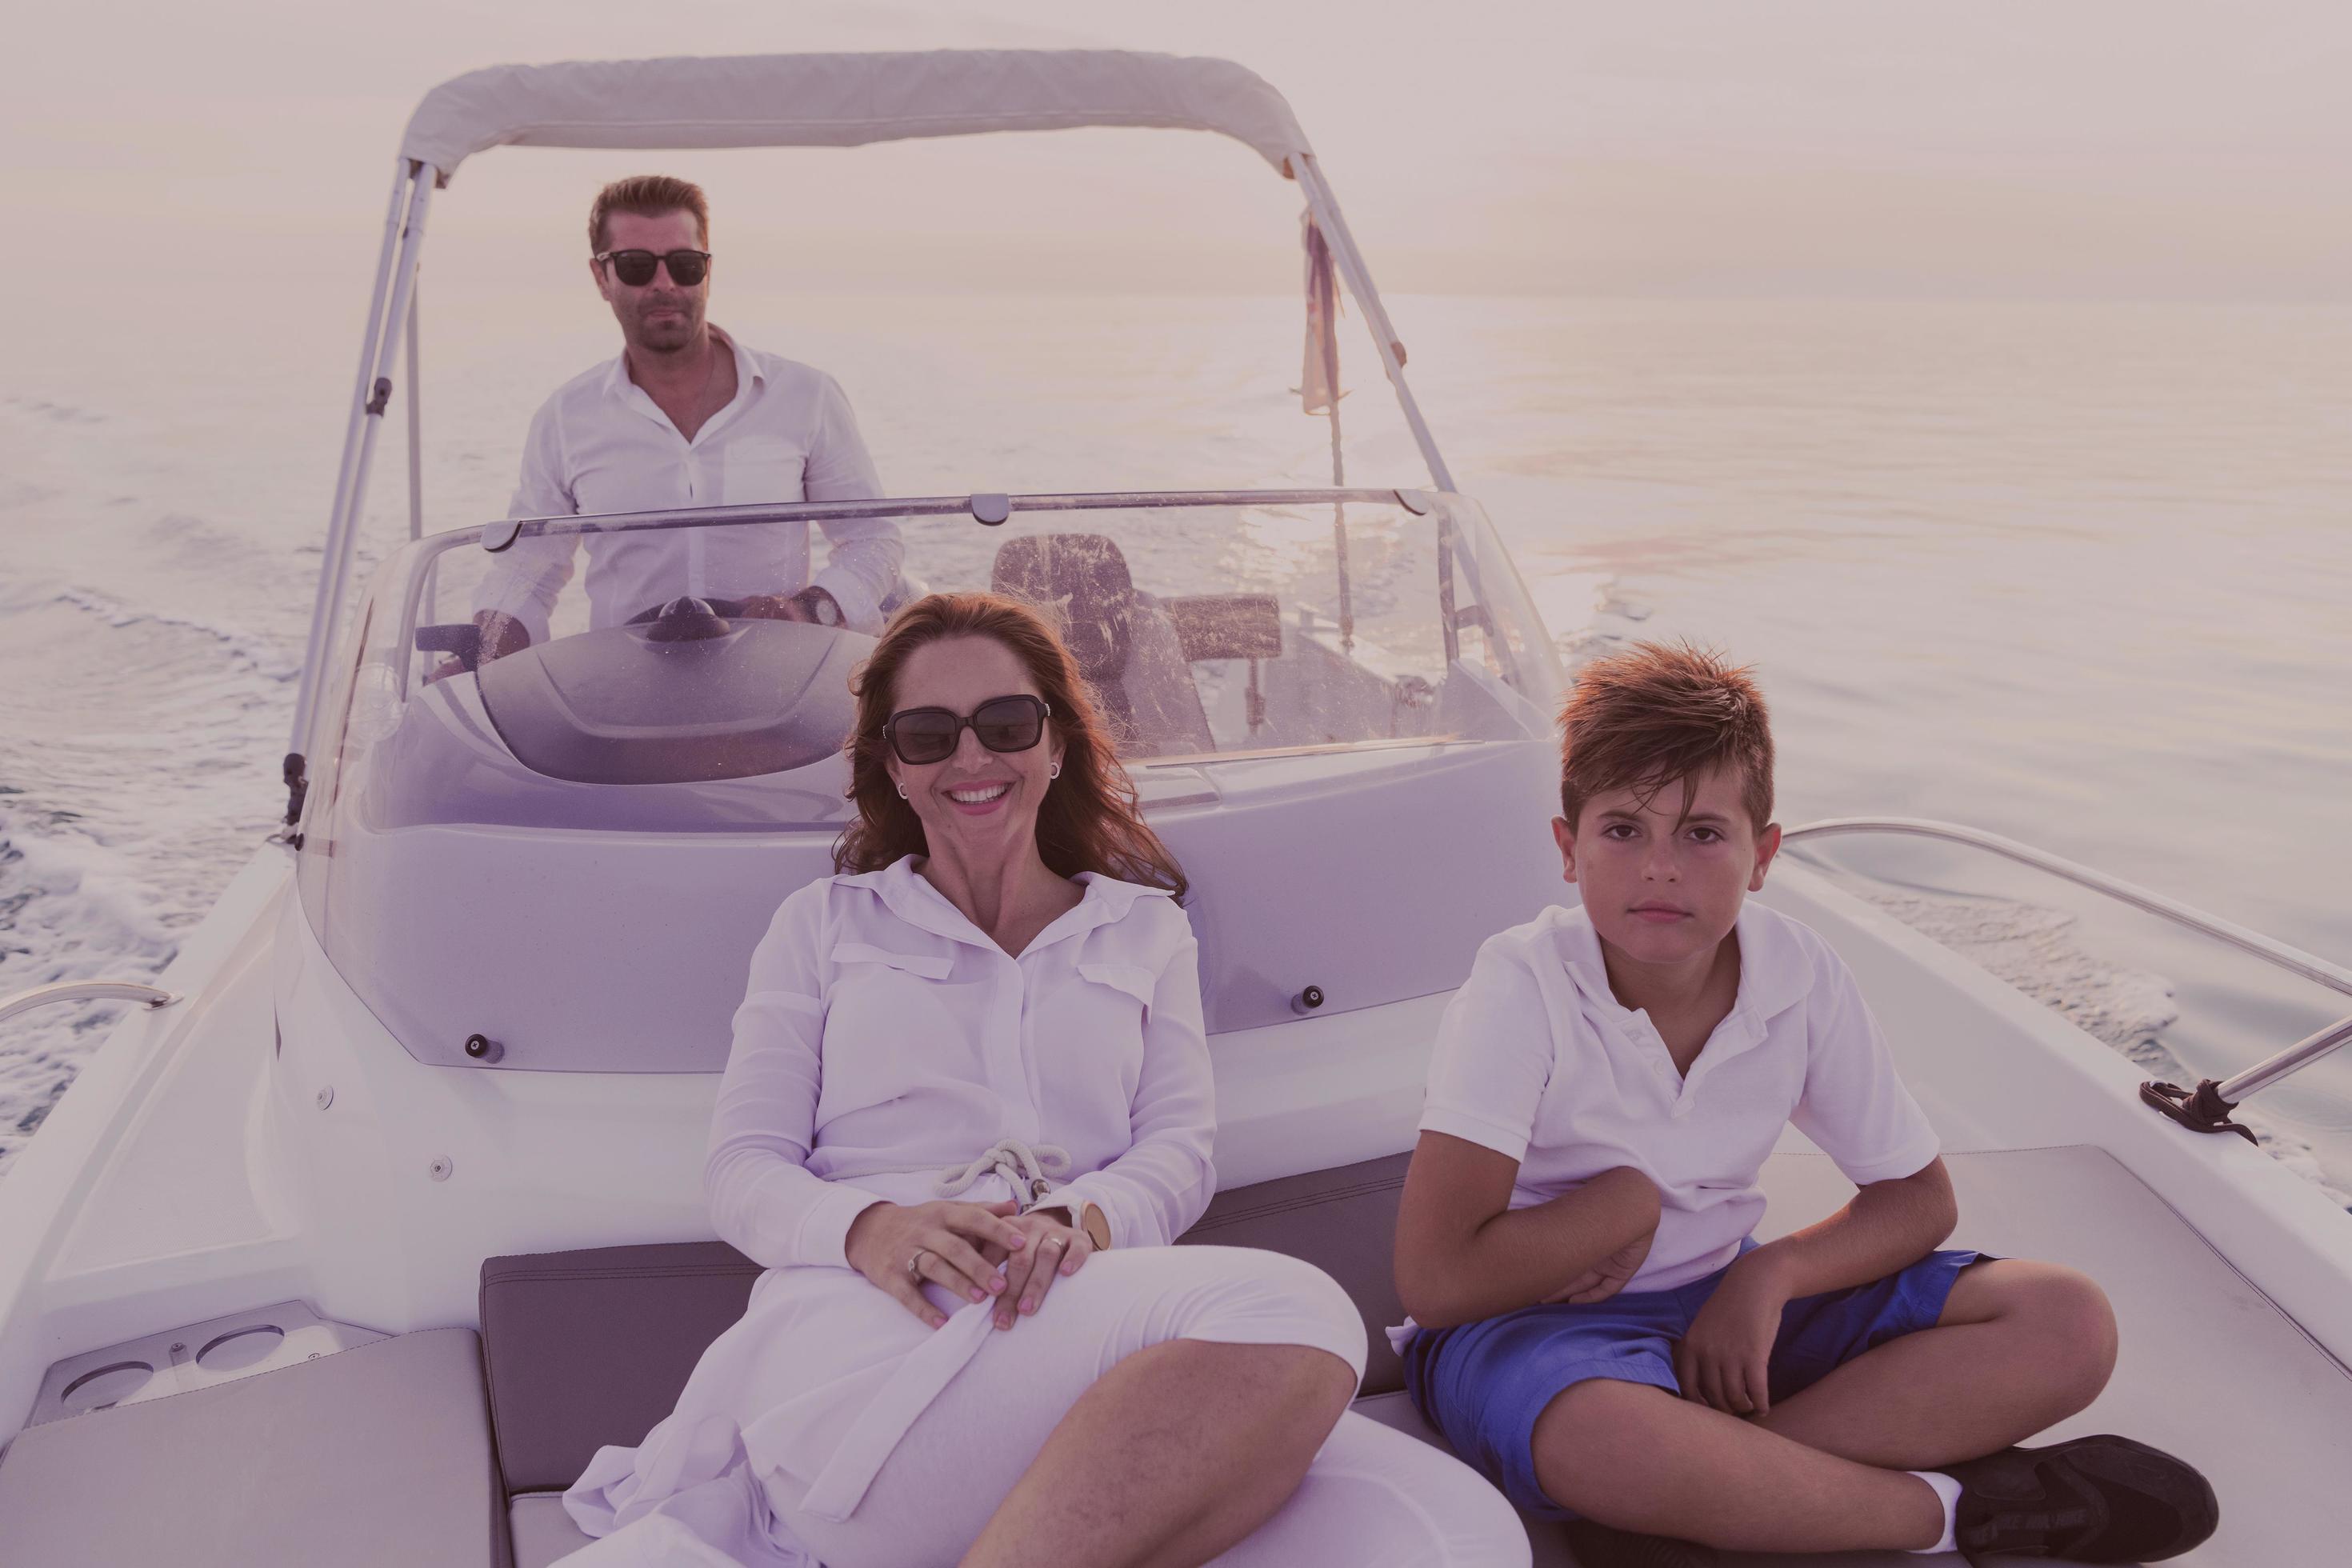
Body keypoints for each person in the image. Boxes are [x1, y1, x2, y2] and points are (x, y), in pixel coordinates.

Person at [563, 592, 1528, 1568]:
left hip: (1074, 1312)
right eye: (929, 735)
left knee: (1463, 1536)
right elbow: (742, 1167)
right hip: (864, 1335)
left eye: (1006, 723)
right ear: (893, 767)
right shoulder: (824, 926)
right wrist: (872, 1228)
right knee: (1298, 1310)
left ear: (1056, 743)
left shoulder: (1144, 930)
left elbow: (1176, 1152)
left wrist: (1077, 1222)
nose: (971, 758)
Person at [1390, 641, 2219, 1566]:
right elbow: (1436, 1283)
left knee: (2066, 1319)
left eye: (1703, 833)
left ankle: (1707, 1495)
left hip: (1724, 1315)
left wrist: (1765, 1277)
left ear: (1762, 855)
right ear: (1567, 849)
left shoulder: (1798, 975)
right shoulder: (1520, 988)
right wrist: (1626, 1205)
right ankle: (1953, 1513)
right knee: (1609, 1440)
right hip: (1532, 1332)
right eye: (1623, 829)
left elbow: (1916, 1198)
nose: (1660, 867)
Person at [472, 175, 902, 659]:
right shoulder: (564, 418)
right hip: (623, 691)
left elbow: (873, 541)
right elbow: (527, 571)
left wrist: (806, 610)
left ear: (708, 271)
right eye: (636, 266)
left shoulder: (807, 396)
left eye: (684, 265)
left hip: (779, 678)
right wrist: (480, 651)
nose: (664, 284)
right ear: (601, 278)